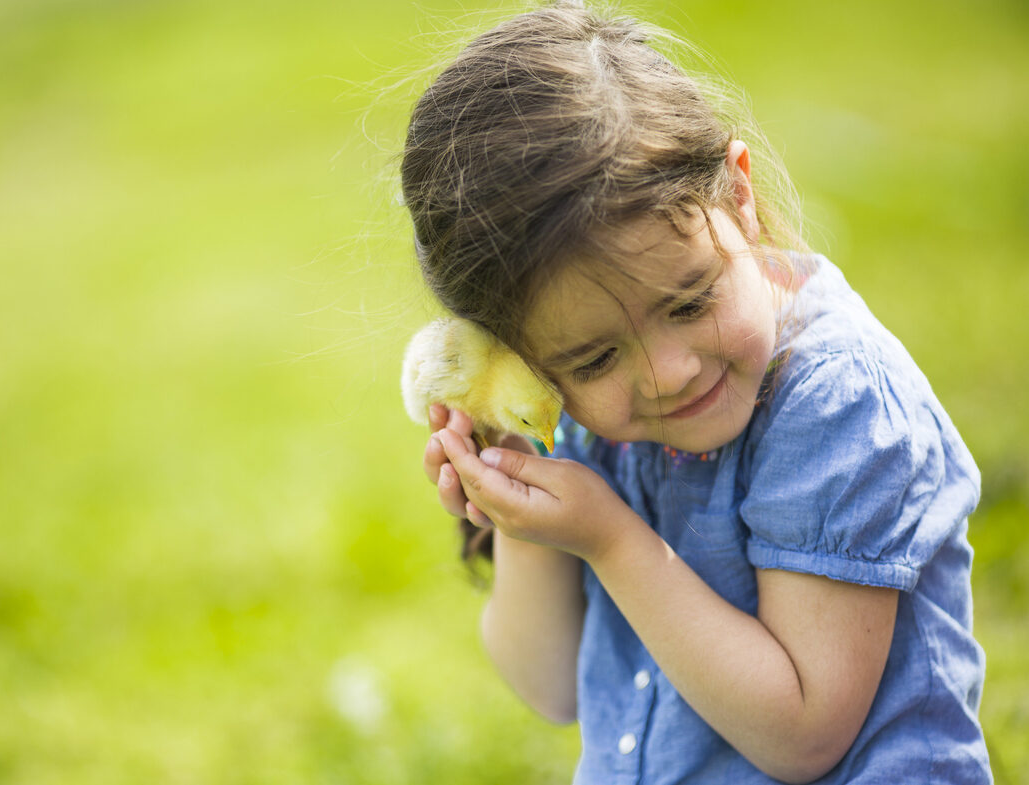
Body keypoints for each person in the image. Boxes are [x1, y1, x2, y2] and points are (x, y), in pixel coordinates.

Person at [400, 3, 992, 783]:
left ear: (738, 198)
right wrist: (523, 509)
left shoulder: (835, 400)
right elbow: (547, 687)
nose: (666, 373)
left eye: (688, 303)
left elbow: (804, 734)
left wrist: (613, 540)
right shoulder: (567, 412)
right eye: (595, 357)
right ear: (520, 357)